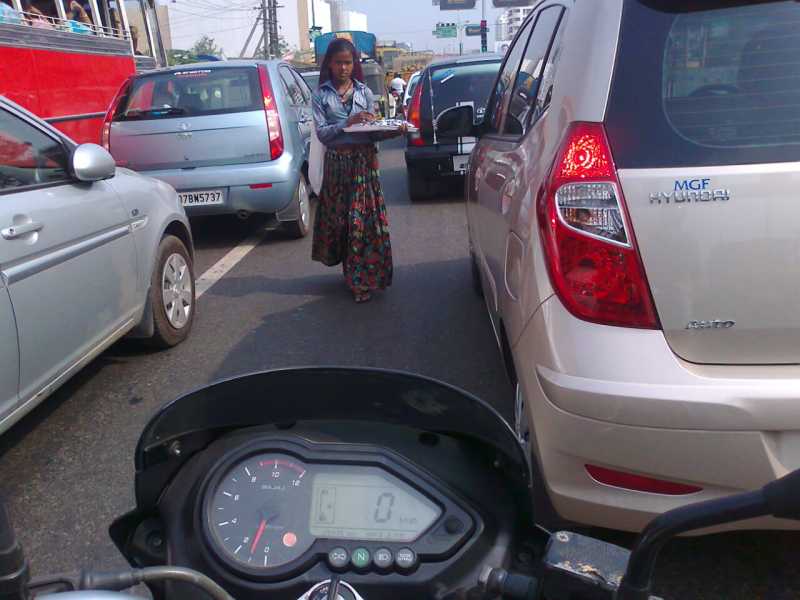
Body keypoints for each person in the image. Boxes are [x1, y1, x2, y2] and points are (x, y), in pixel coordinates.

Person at [311, 38, 404, 304]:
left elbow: (371, 133)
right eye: (339, 62)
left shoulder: (364, 93)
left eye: (348, 63)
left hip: (364, 165)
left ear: (354, 65)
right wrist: (346, 123)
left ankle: (360, 281)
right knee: (342, 225)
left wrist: (393, 131)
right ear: (329, 63)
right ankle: (352, 272)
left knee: (361, 224)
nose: (343, 68)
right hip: (338, 166)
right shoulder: (320, 96)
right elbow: (323, 134)